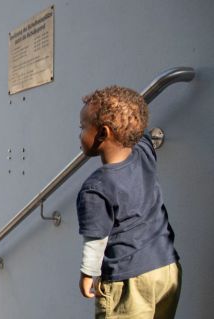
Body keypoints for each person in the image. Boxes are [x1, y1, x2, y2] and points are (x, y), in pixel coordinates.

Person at [76, 86, 180, 318]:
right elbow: (140, 134)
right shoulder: (144, 153)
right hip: (166, 267)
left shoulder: (95, 187)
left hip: (129, 280)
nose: (80, 133)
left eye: (83, 127)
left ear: (103, 133)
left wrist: (87, 274)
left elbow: (96, 239)